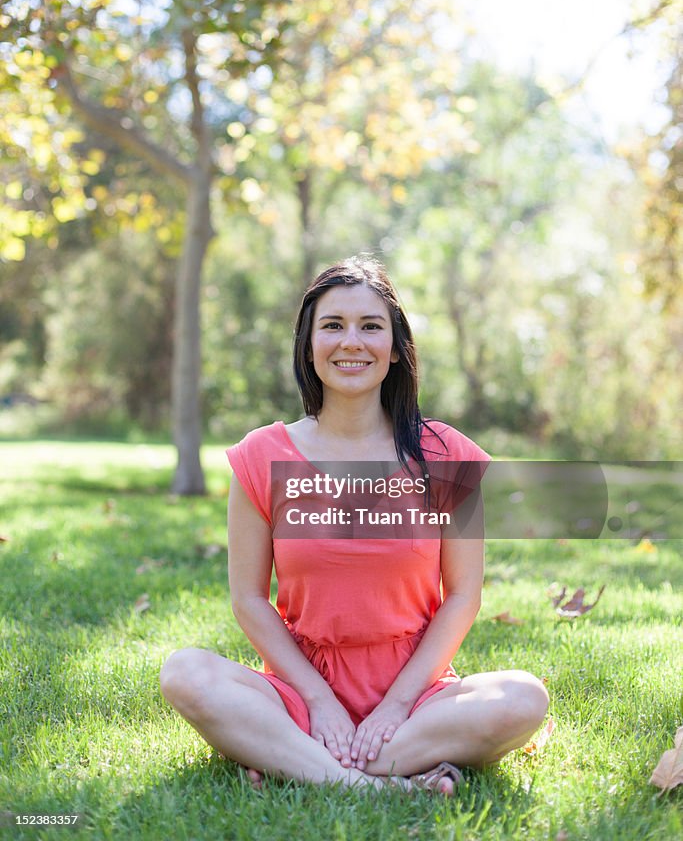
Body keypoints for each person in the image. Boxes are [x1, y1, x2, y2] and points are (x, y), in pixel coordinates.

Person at [159, 255, 549, 795]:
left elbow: (464, 597)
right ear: (308, 344)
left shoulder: (445, 453)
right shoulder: (261, 455)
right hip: (300, 686)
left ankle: (298, 762)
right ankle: (370, 778)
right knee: (184, 672)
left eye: (371, 326)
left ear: (394, 349)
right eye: (333, 326)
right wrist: (318, 700)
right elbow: (248, 599)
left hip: (417, 694)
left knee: (525, 697)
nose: (351, 342)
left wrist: (395, 706)